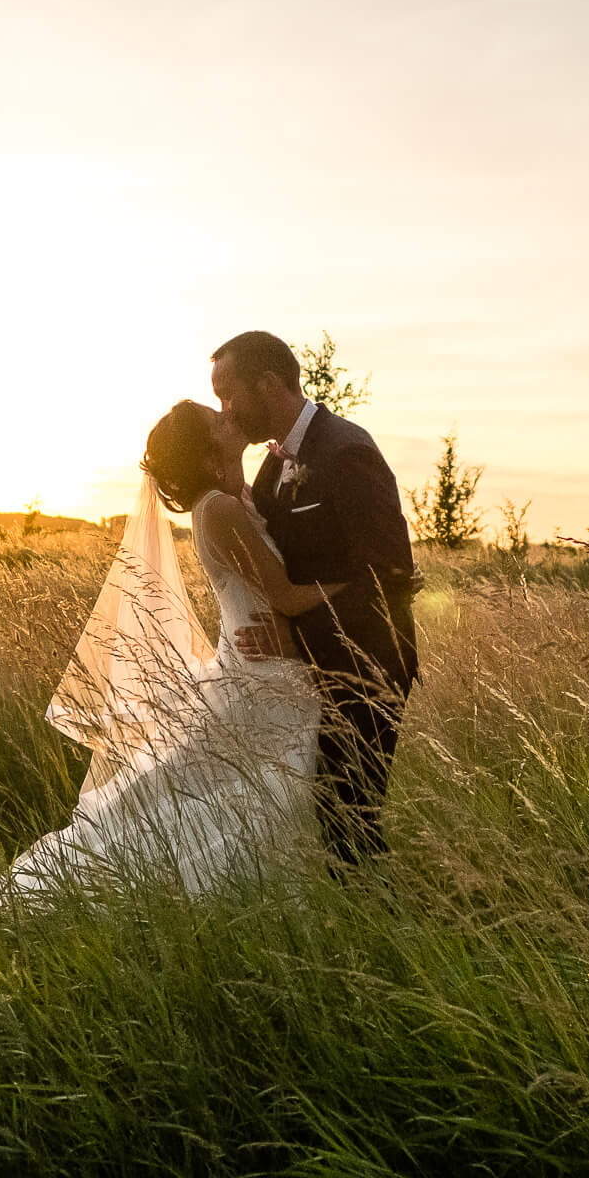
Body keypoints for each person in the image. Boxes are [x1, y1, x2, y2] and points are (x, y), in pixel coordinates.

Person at [0, 400, 340, 904]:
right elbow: (290, 597)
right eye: (219, 420)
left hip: (272, 674)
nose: (232, 416)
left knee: (229, 804)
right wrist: (377, 579)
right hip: (262, 683)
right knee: (241, 805)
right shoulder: (220, 509)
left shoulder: (242, 496)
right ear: (209, 455)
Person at [211, 330, 419, 869]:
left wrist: (298, 634)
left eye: (228, 394)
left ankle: (379, 931)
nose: (224, 410)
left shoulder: (345, 450)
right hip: (312, 666)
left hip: (365, 660)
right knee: (323, 818)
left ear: (270, 383)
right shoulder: (273, 463)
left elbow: (390, 573)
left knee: (348, 818)